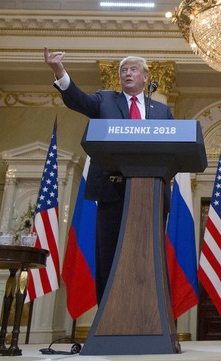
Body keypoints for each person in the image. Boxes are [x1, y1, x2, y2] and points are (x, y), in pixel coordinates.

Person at [44, 47, 174, 304]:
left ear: (145, 77)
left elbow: (171, 150)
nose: (127, 74)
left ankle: (150, 311)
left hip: (151, 192)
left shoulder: (161, 111)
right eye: (123, 70)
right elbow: (77, 99)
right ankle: (107, 313)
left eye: (133, 69)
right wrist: (59, 70)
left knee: (148, 255)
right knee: (110, 254)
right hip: (111, 190)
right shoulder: (105, 100)